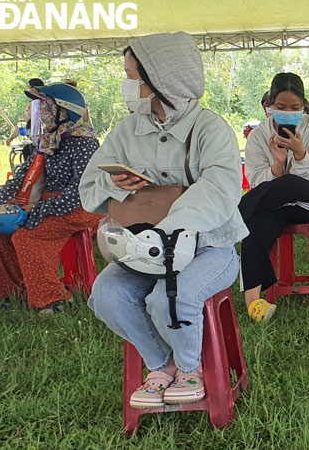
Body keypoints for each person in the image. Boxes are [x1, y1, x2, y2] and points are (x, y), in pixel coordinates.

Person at [80, 32, 246, 408]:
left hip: (210, 250)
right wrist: (114, 181)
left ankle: (192, 367)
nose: (128, 84)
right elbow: (89, 188)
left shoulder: (210, 128)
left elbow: (220, 189)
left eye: (133, 75)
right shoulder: (125, 131)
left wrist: (166, 229)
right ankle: (162, 364)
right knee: (106, 294)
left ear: (161, 79)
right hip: (141, 251)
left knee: (169, 298)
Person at [238, 72, 309, 322]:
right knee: (257, 223)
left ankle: (235, 214)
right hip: (277, 205)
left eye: (295, 107)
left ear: (303, 106)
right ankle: (254, 303)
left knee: (289, 183)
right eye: (281, 107)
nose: (289, 112)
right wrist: (278, 164)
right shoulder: (258, 136)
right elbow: (254, 181)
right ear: (269, 106)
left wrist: (300, 154)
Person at [0, 83, 100, 315]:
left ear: (64, 112)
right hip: (50, 203)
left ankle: (52, 299)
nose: (39, 113)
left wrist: (39, 209)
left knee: (28, 236)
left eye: (45, 107)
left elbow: (80, 191)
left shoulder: (84, 143)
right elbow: (21, 177)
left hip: (80, 207)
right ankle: (14, 292)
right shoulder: (49, 141)